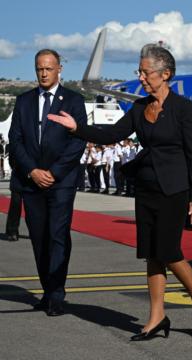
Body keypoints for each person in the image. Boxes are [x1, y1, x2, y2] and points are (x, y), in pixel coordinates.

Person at [48, 44, 192, 339]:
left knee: (170, 252)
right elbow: (110, 135)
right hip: (146, 186)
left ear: (166, 74)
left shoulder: (183, 108)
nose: (141, 78)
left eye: (146, 72)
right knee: (151, 254)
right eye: (139, 71)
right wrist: (77, 128)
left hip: (174, 188)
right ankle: (156, 316)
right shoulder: (138, 108)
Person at [8, 49, 87, 316]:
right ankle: (46, 288)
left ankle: (56, 293)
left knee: (58, 235)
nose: (43, 73)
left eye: (49, 68)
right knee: (39, 238)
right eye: (39, 68)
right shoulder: (24, 102)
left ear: (59, 69)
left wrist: (53, 172)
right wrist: (32, 171)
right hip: (31, 182)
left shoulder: (74, 101)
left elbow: (78, 141)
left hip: (61, 181)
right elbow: (15, 140)